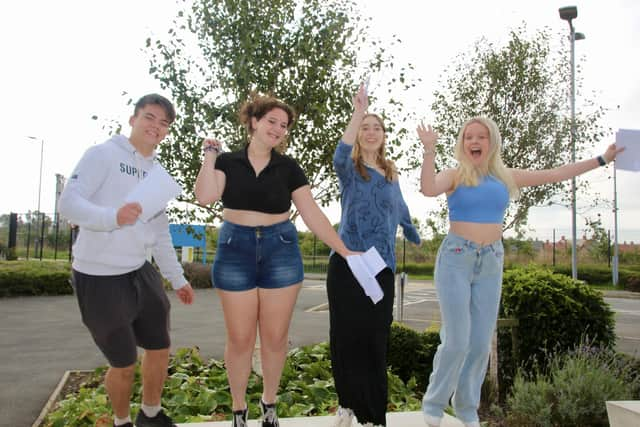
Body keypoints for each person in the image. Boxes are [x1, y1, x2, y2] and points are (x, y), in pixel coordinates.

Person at [416, 117, 624, 427]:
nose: (474, 140)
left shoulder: (506, 177)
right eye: (468, 136)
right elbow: (428, 189)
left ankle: (466, 410)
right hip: (456, 259)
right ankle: (434, 403)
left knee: (479, 341)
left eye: (481, 136)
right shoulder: (455, 175)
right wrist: (429, 150)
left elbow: (555, 174)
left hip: (491, 260)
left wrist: (601, 159)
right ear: (462, 143)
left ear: (492, 142)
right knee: (457, 339)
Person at [194, 93, 356, 427]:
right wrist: (209, 157)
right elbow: (206, 196)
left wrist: (344, 249)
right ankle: (239, 409)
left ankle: (269, 403)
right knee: (239, 338)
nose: (279, 129)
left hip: (279, 249)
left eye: (284, 126)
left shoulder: (289, 168)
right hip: (234, 248)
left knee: (275, 337)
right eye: (272, 121)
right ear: (253, 121)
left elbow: (311, 213)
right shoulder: (228, 162)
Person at [59, 94, 195, 427]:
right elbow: (69, 204)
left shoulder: (158, 174)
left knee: (160, 347)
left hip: (139, 269)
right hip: (99, 275)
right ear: (133, 119)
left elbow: (160, 234)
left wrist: (178, 279)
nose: (156, 127)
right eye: (150, 117)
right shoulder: (103, 154)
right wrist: (112, 216)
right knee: (123, 363)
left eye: (164, 123)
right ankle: (122, 422)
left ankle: (150, 414)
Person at [327, 85, 421, 427]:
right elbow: (340, 153)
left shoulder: (392, 172)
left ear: (383, 136)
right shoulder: (349, 169)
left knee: (375, 339)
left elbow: (400, 206)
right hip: (348, 262)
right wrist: (358, 110)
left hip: (381, 267)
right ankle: (347, 405)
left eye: (375, 127)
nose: (370, 132)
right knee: (345, 336)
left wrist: (410, 228)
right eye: (365, 127)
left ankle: (374, 416)